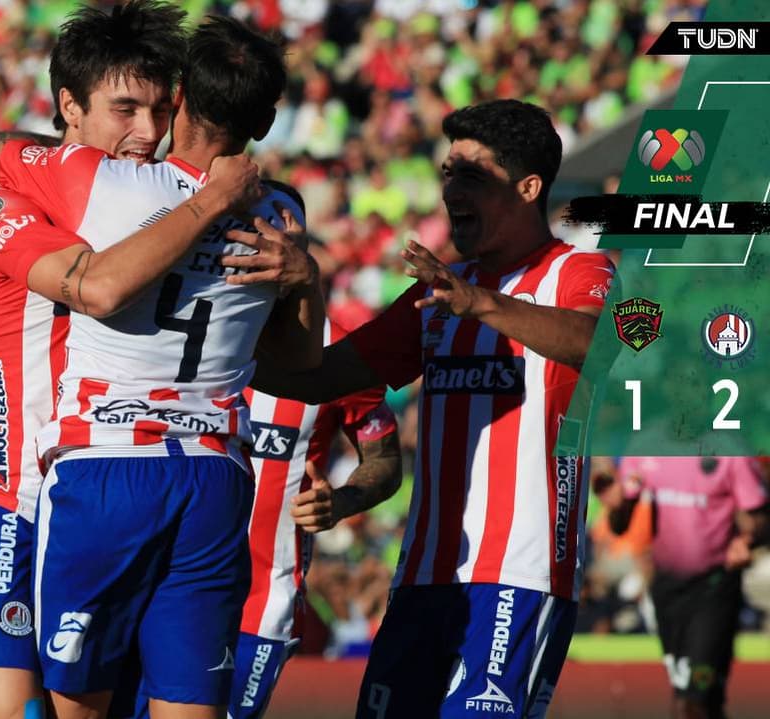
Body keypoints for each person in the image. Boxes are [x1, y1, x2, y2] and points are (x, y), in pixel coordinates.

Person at [0, 16, 322, 719]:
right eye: (128, 108)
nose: (146, 125)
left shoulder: (99, 182)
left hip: (103, 464)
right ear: (269, 118)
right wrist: (305, 275)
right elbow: (297, 362)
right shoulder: (283, 211)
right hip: (211, 469)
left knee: (77, 705)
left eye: (158, 107)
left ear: (180, 97)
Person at [254, 99, 617, 718]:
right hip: (424, 577)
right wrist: (298, 287)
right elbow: (323, 378)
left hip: (519, 575)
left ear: (528, 188)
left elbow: (595, 344)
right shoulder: (437, 294)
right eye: (449, 173)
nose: (452, 190)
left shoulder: (578, 269)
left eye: (472, 175)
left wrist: (478, 303)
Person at [231, 317, 401, 719]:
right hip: (170, 586)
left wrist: (341, 502)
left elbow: (386, 457)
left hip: (262, 598)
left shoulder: (340, 354)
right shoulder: (195, 316)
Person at [596, 457, 769, 719]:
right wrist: (616, 505)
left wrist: (747, 539)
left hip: (714, 591)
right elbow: (621, 524)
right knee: (697, 699)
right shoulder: (643, 450)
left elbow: (761, 517)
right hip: (668, 594)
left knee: (691, 702)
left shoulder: (731, 453)